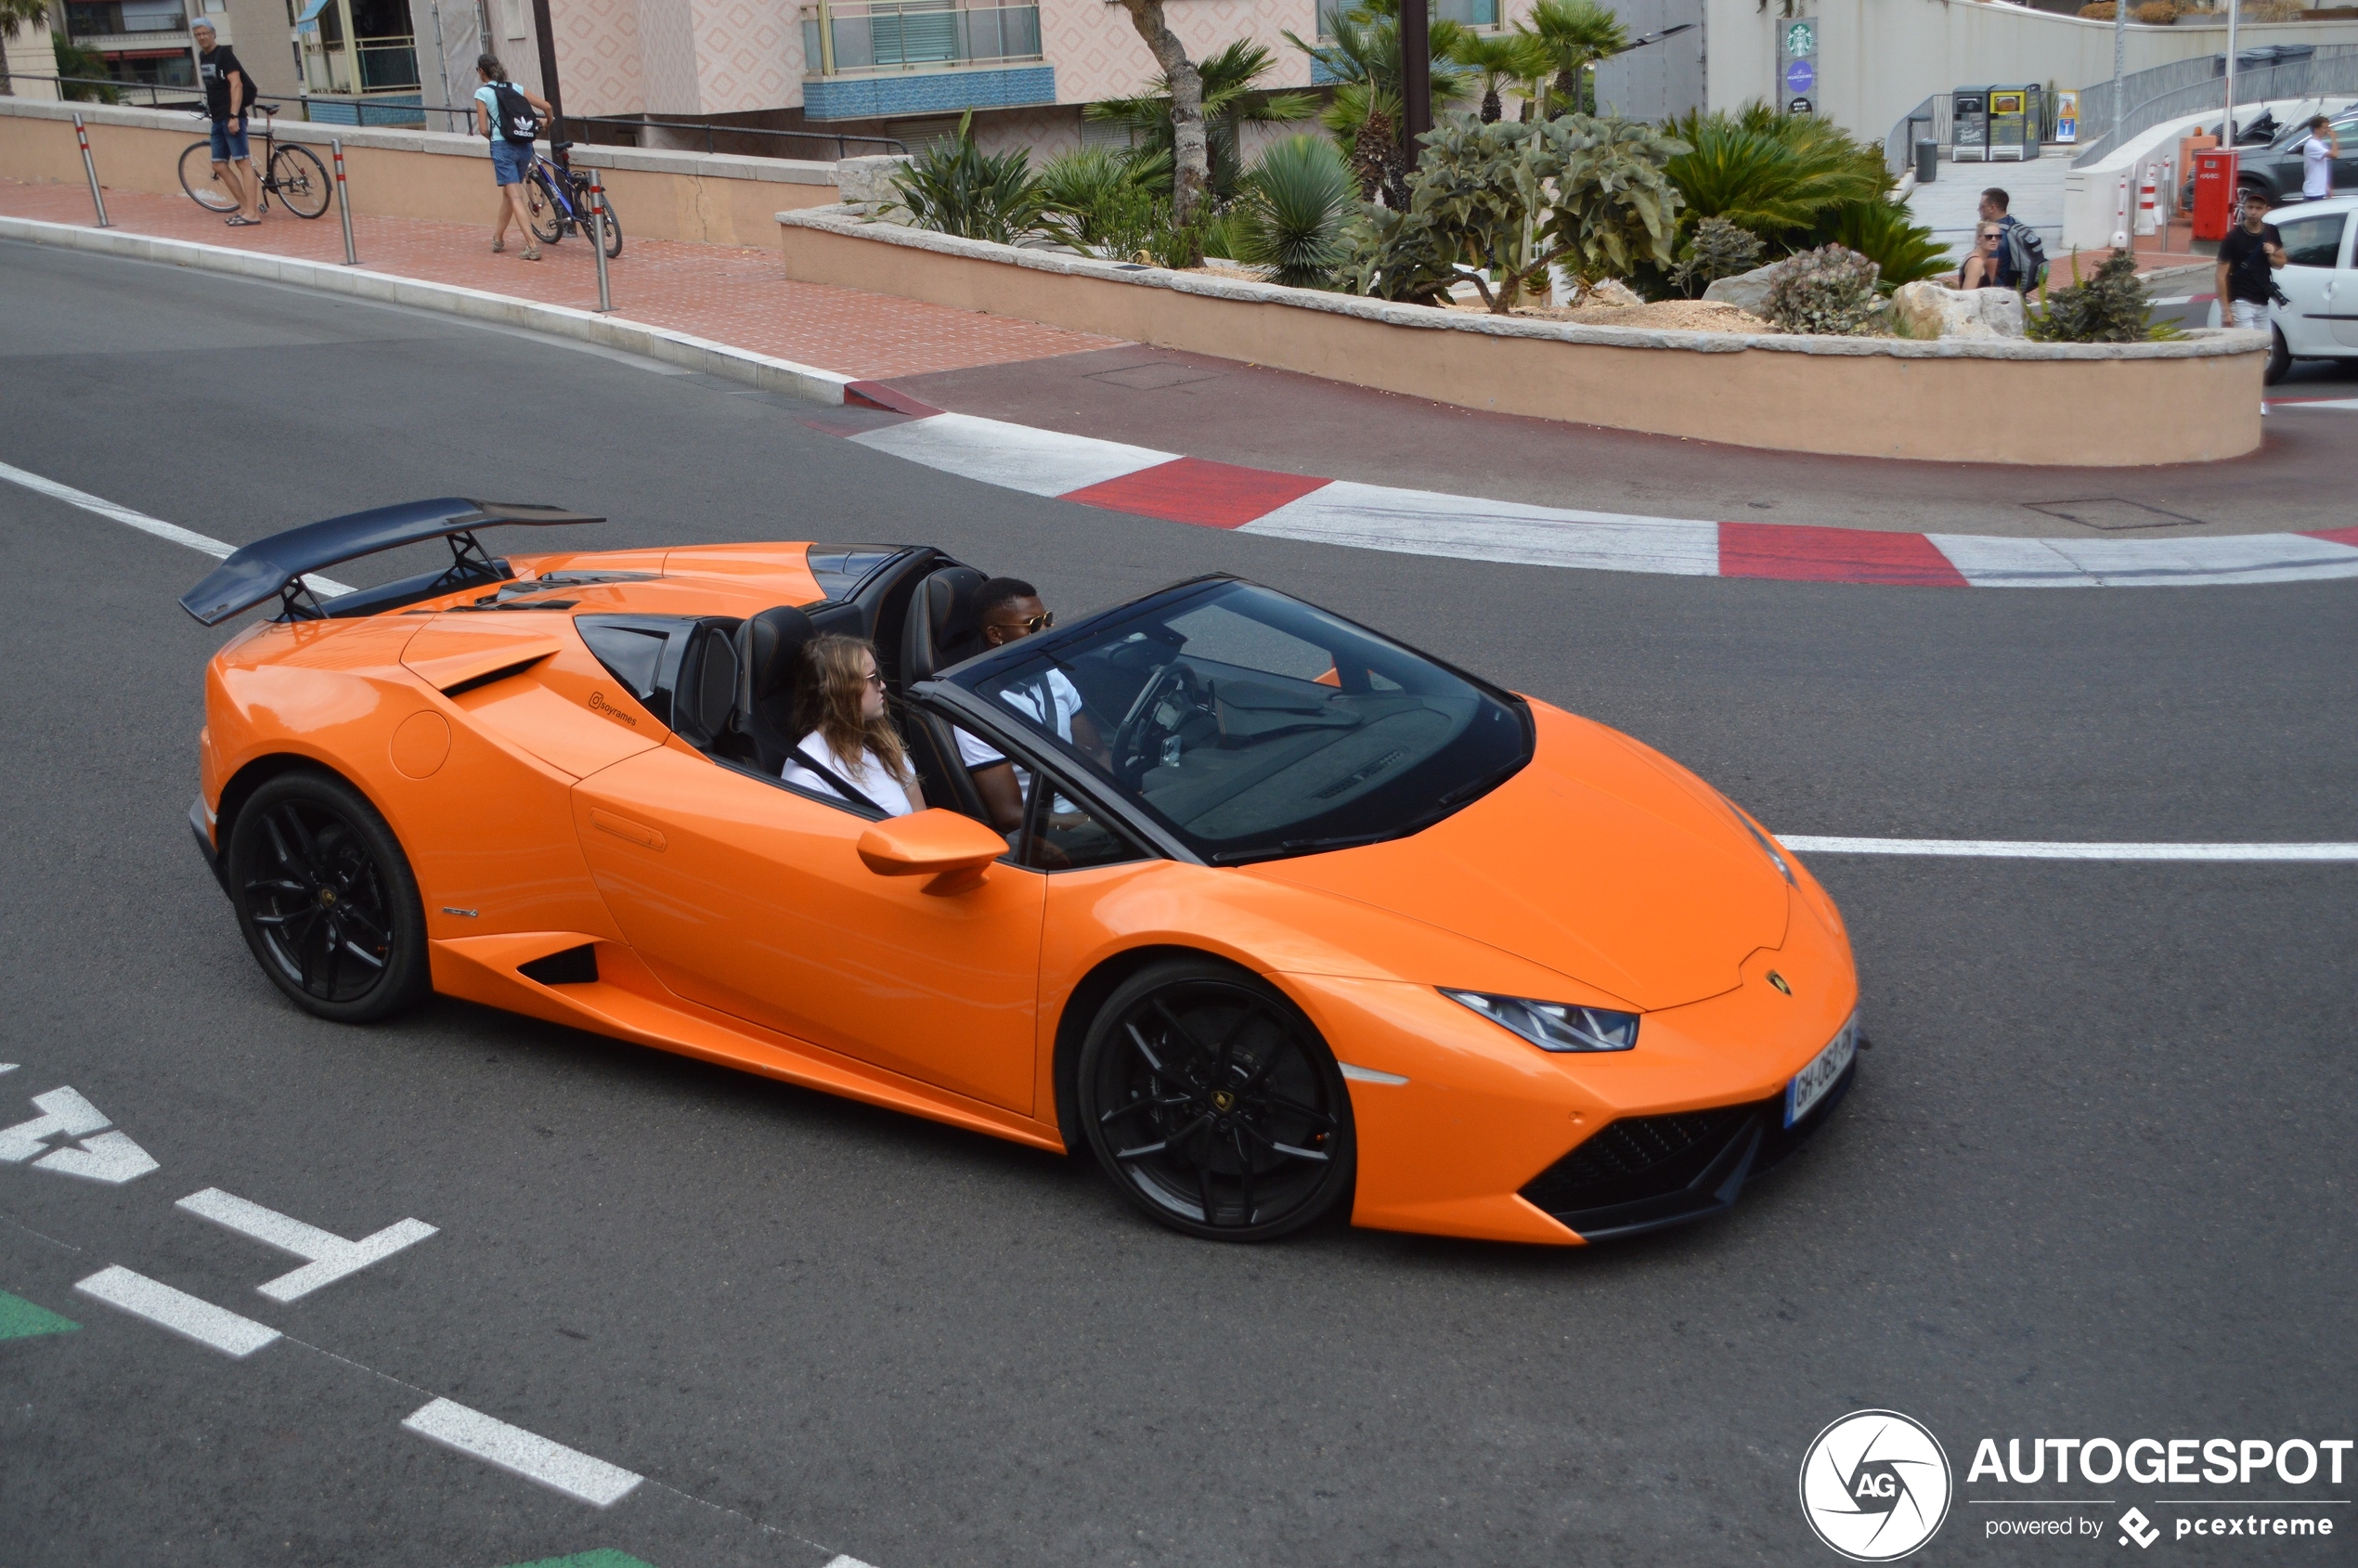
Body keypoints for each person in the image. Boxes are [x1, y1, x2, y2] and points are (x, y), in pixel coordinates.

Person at [953, 577, 1105, 833]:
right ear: (995, 634)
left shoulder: (1053, 676)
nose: (1047, 628)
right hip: (1051, 834)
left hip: (1093, 811)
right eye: (1034, 624)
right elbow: (1011, 816)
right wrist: (1097, 824)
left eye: (1047, 617)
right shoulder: (978, 713)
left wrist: (1119, 806)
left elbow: (1098, 752)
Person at [780, 635, 926, 816]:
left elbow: (921, 818)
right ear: (842, 690)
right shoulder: (806, 774)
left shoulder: (882, 741)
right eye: (872, 678)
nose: (882, 685)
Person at [472, 55, 552, 261]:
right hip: (524, 146)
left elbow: (482, 129)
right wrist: (548, 123)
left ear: (482, 71)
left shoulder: (483, 93)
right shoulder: (515, 88)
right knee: (509, 193)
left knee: (515, 195)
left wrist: (499, 138)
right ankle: (498, 239)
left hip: (503, 147)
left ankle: (532, 245)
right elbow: (547, 107)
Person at [191, 20, 261, 227]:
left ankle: (253, 213)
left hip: (231, 116)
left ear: (213, 33)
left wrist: (233, 116)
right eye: (198, 34)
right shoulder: (203, 56)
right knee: (219, 164)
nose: (202, 37)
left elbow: (236, 84)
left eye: (205, 33)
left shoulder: (224, 55)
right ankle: (245, 207)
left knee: (242, 163)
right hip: (217, 117)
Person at [2214, 188, 2287, 333]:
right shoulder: (2233, 237)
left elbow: (2281, 263)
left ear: (2267, 210)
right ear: (2244, 208)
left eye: (2259, 208)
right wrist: (2225, 311)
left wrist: (2272, 254)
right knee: (2247, 347)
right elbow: (2220, 275)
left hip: (2263, 301)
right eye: (2250, 207)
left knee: (2266, 348)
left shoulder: (2271, 232)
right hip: (2240, 302)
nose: (2253, 212)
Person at [1977, 188, 2048, 293]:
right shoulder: (2013, 224)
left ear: (1992, 208)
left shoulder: (1994, 235)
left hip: (2001, 296)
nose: (1978, 210)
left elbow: (1991, 275)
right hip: (2016, 292)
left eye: (1982, 207)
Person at [2301, 114, 2339, 202]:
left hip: (2318, 190)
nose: (2328, 130)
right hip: (2313, 192)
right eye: (2325, 128)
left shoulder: (2319, 143)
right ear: (2316, 130)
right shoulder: (2312, 145)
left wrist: (2326, 186)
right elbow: (2334, 155)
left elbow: (2319, 168)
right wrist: (2334, 138)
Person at [1959, 224, 2004, 290]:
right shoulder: (1976, 262)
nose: (1994, 239)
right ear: (1978, 239)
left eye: (1998, 236)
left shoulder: (1976, 257)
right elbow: (1967, 293)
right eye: (1989, 236)